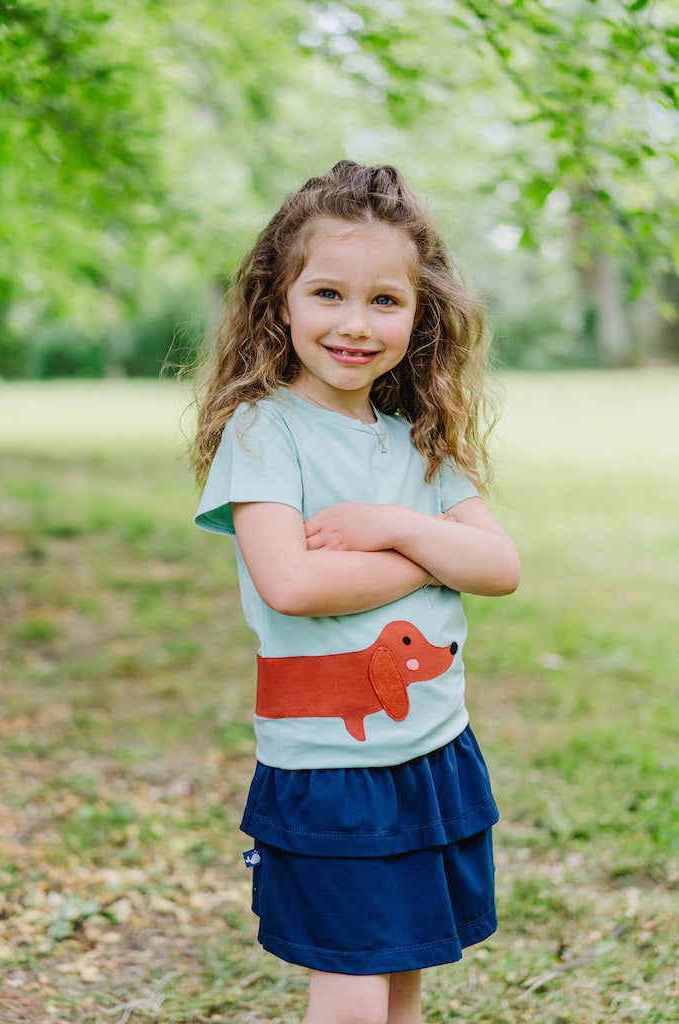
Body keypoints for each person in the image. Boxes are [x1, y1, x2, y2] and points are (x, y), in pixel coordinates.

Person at [190, 160, 520, 1024]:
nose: (354, 323)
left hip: (433, 751)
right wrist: (429, 550)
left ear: (420, 316)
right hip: (331, 771)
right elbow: (294, 583)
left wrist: (397, 524)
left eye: (385, 301)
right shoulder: (264, 432)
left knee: (404, 972)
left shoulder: (419, 442)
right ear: (281, 301)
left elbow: (500, 568)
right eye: (328, 293)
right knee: (348, 989)